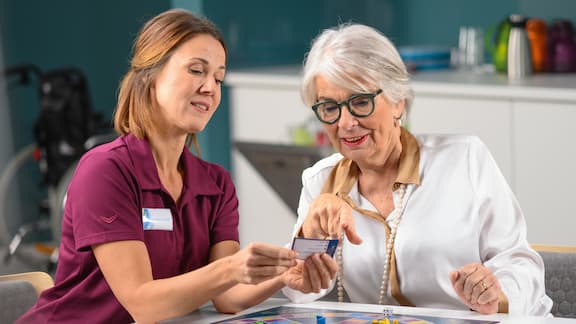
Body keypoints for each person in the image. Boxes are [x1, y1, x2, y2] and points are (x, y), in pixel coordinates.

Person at [18, 9, 336, 324]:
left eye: (218, 78)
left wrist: (282, 276)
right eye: (196, 70)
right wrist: (230, 268)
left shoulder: (216, 184)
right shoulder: (105, 171)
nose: (210, 87)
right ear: (150, 76)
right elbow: (142, 304)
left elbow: (227, 296)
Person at [282, 23, 553, 316]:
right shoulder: (320, 182)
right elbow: (299, 292)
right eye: (330, 107)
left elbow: (521, 264)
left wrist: (496, 295)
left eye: (360, 102)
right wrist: (309, 234)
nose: (345, 122)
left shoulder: (465, 159)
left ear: (398, 101)